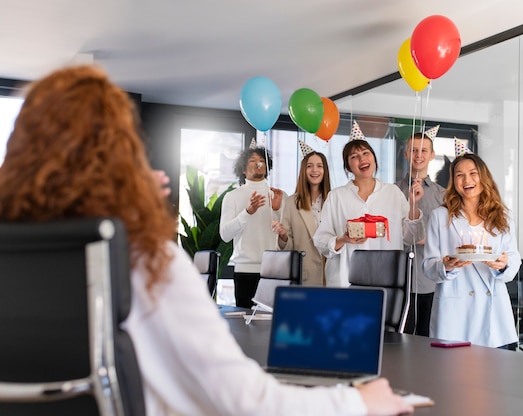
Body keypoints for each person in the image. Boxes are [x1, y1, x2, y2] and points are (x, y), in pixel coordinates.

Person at [0, 65, 413, 416]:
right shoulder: (145, 260)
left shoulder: (17, 257)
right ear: (123, 156)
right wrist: (356, 403)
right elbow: (246, 400)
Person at [423, 153, 521, 348]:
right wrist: (447, 266)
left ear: (483, 177)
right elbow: (428, 265)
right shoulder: (440, 216)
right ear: (453, 181)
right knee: (452, 376)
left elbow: (513, 258)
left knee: (494, 377)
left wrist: (503, 264)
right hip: (455, 315)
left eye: (473, 173)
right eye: (459, 175)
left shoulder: (503, 217)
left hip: (492, 315)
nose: (467, 180)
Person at [314, 121, 425, 287]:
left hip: (386, 279)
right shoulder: (336, 197)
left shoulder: (392, 193)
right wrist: (343, 239)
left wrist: (414, 205)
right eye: (354, 157)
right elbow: (321, 240)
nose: (362, 159)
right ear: (348, 166)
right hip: (345, 281)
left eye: (366, 153)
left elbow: (412, 237)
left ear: (374, 157)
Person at [220, 146, 285, 308]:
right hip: (244, 271)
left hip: (273, 270)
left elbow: (285, 236)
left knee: (271, 322)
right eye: (252, 161)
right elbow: (225, 234)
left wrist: (276, 210)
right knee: (244, 324)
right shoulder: (232, 196)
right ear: (243, 169)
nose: (258, 164)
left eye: (262, 161)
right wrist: (247, 212)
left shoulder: (278, 195)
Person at [395, 128, 445, 336]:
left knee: (428, 340)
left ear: (432, 155)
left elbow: (446, 236)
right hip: (399, 280)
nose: (418, 155)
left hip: (432, 284)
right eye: (413, 150)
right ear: (406, 154)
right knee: (398, 341)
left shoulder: (444, 196)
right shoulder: (392, 191)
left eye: (424, 150)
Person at [272, 143, 331, 285]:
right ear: (303, 170)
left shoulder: (334, 200)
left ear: (325, 170)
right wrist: (283, 236)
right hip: (305, 277)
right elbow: (288, 248)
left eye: (319, 166)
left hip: (331, 275)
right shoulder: (291, 202)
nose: (314, 170)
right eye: (309, 166)